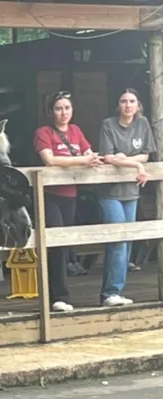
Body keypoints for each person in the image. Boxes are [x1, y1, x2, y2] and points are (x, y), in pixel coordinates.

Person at [33, 91, 103, 312]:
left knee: (65, 244)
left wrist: (94, 159)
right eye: (58, 108)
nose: (63, 113)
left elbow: (90, 153)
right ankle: (58, 296)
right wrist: (82, 160)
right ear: (50, 111)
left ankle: (61, 295)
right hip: (50, 195)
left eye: (67, 108)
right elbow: (50, 160)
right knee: (56, 245)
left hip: (71, 195)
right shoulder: (43, 132)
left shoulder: (76, 131)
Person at [96, 88, 155, 307]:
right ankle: (110, 292)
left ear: (138, 105)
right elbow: (108, 157)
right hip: (110, 191)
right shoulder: (108, 124)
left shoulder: (143, 124)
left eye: (131, 101)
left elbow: (146, 154)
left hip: (132, 191)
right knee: (117, 239)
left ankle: (116, 291)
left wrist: (129, 160)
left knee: (127, 240)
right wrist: (136, 163)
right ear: (117, 105)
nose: (127, 105)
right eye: (123, 101)